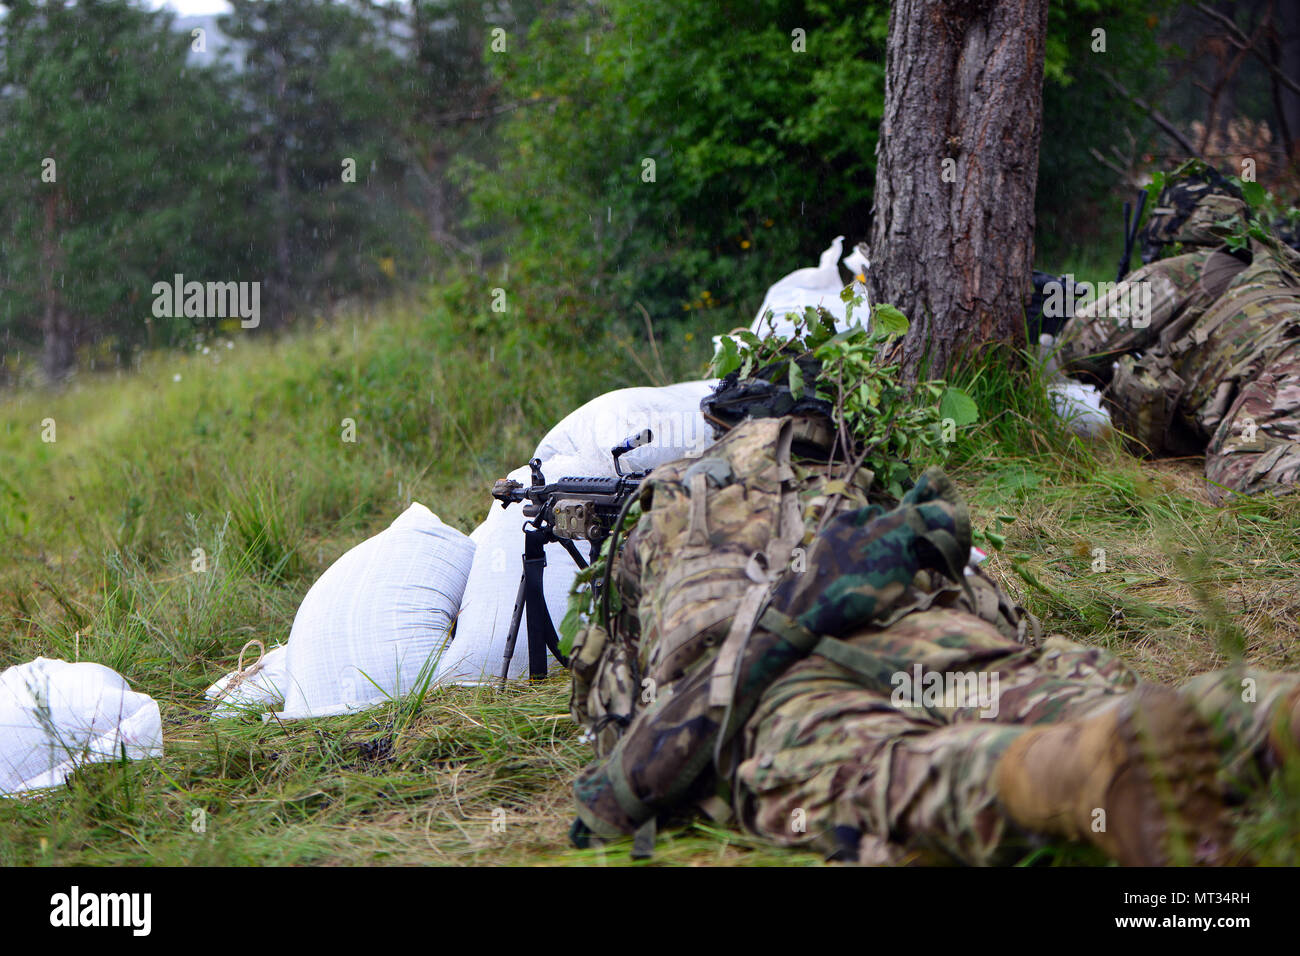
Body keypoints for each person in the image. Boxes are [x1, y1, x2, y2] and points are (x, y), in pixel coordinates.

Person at [566, 365, 1300, 865]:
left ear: (718, 425)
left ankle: (1074, 775)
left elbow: (626, 706)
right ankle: (1270, 715)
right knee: (1082, 701)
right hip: (942, 641)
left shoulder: (669, 498)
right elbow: (1003, 615)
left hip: (771, 688)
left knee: (882, 771)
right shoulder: (877, 496)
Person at [1055, 161, 1300, 502]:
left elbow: (1078, 348)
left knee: (1238, 475)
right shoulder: (1271, 272)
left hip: (1285, 375)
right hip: (1284, 376)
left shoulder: (1181, 271)